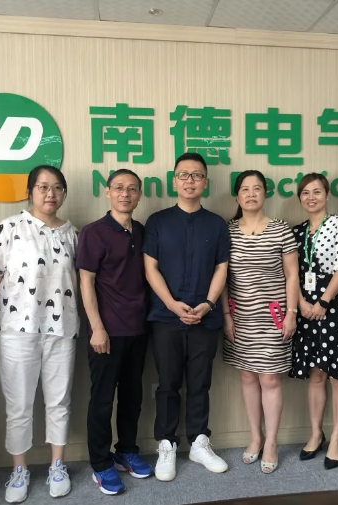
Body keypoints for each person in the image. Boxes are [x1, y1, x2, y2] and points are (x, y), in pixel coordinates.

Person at [0, 166, 79, 502]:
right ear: (30, 191)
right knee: (19, 404)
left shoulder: (73, 234)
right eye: (42, 187)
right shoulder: (9, 228)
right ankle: (19, 469)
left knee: (59, 401)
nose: (50, 194)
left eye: (57, 188)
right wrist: (19, 309)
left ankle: (57, 465)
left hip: (62, 329)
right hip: (18, 331)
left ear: (64, 193)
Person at [143, 152, 230, 482]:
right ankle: (166, 443)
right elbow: (150, 268)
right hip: (166, 318)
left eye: (196, 175)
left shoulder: (217, 224)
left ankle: (198, 441)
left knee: (200, 382)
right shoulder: (157, 221)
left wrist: (208, 303)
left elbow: (222, 267)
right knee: (167, 383)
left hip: (205, 318)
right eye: (183, 175)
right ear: (174, 180)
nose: (190, 180)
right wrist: (171, 304)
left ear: (205, 182)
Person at [77, 169, 154, 496]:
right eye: (119, 188)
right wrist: (97, 328)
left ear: (139, 195)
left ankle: (126, 450)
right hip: (106, 332)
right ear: (108, 192)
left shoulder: (141, 230)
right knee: (102, 399)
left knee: (133, 396)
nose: (126, 194)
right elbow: (86, 282)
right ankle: (100, 462)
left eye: (132, 189)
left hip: (138, 329)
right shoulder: (94, 232)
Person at [220, 170, 298, 474]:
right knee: (248, 376)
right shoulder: (227, 231)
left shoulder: (280, 229)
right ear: (237, 195)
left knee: (270, 379)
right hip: (240, 316)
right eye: (245, 189)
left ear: (265, 193)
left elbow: (292, 275)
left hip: (274, 316)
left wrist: (291, 313)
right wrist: (226, 315)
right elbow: (221, 277)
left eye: (256, 189)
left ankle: (272, 442)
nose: (251, 194)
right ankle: (255, 436)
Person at [292, 173, 338, 470]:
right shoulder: (297, 232)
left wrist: (323, 303)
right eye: (306, 193)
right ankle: (315, 433)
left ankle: (337, 438)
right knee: (316, 374)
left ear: (327, 194)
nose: (311, 197)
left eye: (317, 192)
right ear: (299, 197)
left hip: (334, 307)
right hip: (305, 307)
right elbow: (291, 274)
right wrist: (301, 303)